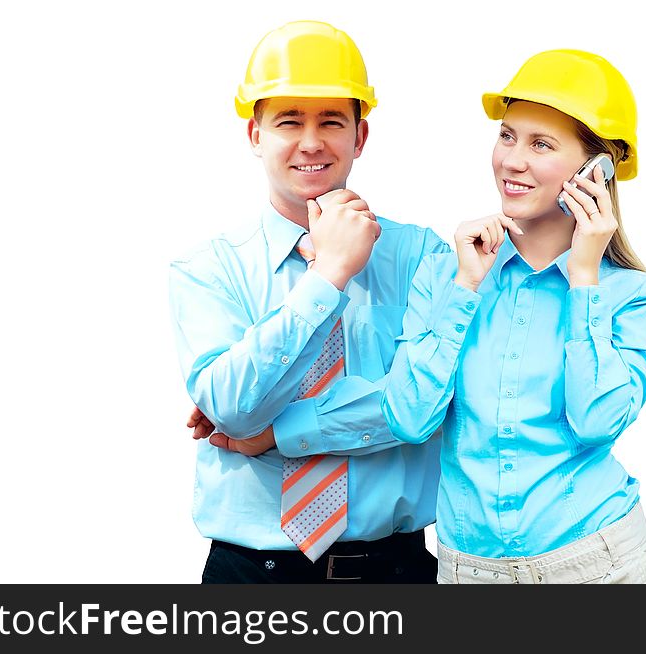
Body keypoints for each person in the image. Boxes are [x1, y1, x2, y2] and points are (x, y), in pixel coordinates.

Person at [169, 20, 447, 583]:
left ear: (360, 136)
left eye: (332, 121)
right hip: (250, 576)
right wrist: (327, 277)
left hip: (396, 570)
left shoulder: (423, 257)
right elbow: (230, 410)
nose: (312, 141)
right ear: (255, 134)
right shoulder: (207, 269)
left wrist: (276, 432)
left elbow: (424, 407)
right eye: (289, 121)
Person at [381, 49, 646, 584]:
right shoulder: (446, 274)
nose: (512, 160)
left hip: (600, 566)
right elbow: (408, 418)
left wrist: (584, 277)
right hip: (469, 574)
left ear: (596, 171)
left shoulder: (630, 294)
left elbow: (596, 422)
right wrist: (465, 287)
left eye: (541, 144)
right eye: (508, 135)